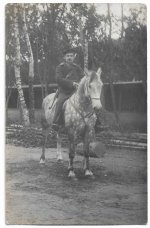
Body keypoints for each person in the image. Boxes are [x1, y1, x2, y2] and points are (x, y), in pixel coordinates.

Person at [52, 48, 85, 131]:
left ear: (74, 57)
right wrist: (72, 83)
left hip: (76, 91)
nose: (69, 57)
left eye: (71, 56)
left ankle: (95, 122)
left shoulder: (77, 67)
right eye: (67, 56)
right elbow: (58, 79)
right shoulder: (60, 67)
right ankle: (55, 122)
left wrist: (80, 84)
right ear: (64, 57)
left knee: (89, 102)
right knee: (59, 103)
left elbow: (83, 77)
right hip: (64, 91)